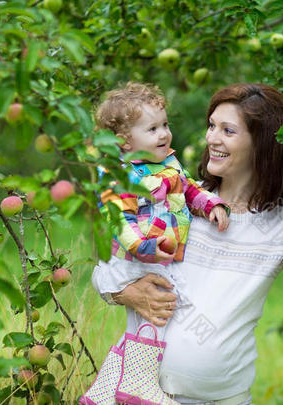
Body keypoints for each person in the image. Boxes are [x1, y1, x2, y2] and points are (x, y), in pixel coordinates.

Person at [91, 83, 283, 405]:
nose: (212, 138)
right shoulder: (177, 198)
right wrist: (125, 292)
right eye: (212, 126)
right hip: (140, 395)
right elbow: (105, 269)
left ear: (261, 144)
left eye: (228, 131)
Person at [82, 82, 229, 405]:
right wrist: (145, 247)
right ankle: (137, 382)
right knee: (155, 313)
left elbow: (189, 188)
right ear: (124, 141)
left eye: (165, 125)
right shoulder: (119, 175)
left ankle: (105, 391)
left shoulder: (168, 163)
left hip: (157, 253)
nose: (164, 134)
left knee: (147, 318)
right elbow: (119, 220)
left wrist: (209, 204)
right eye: (152, 128)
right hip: (135, 258)